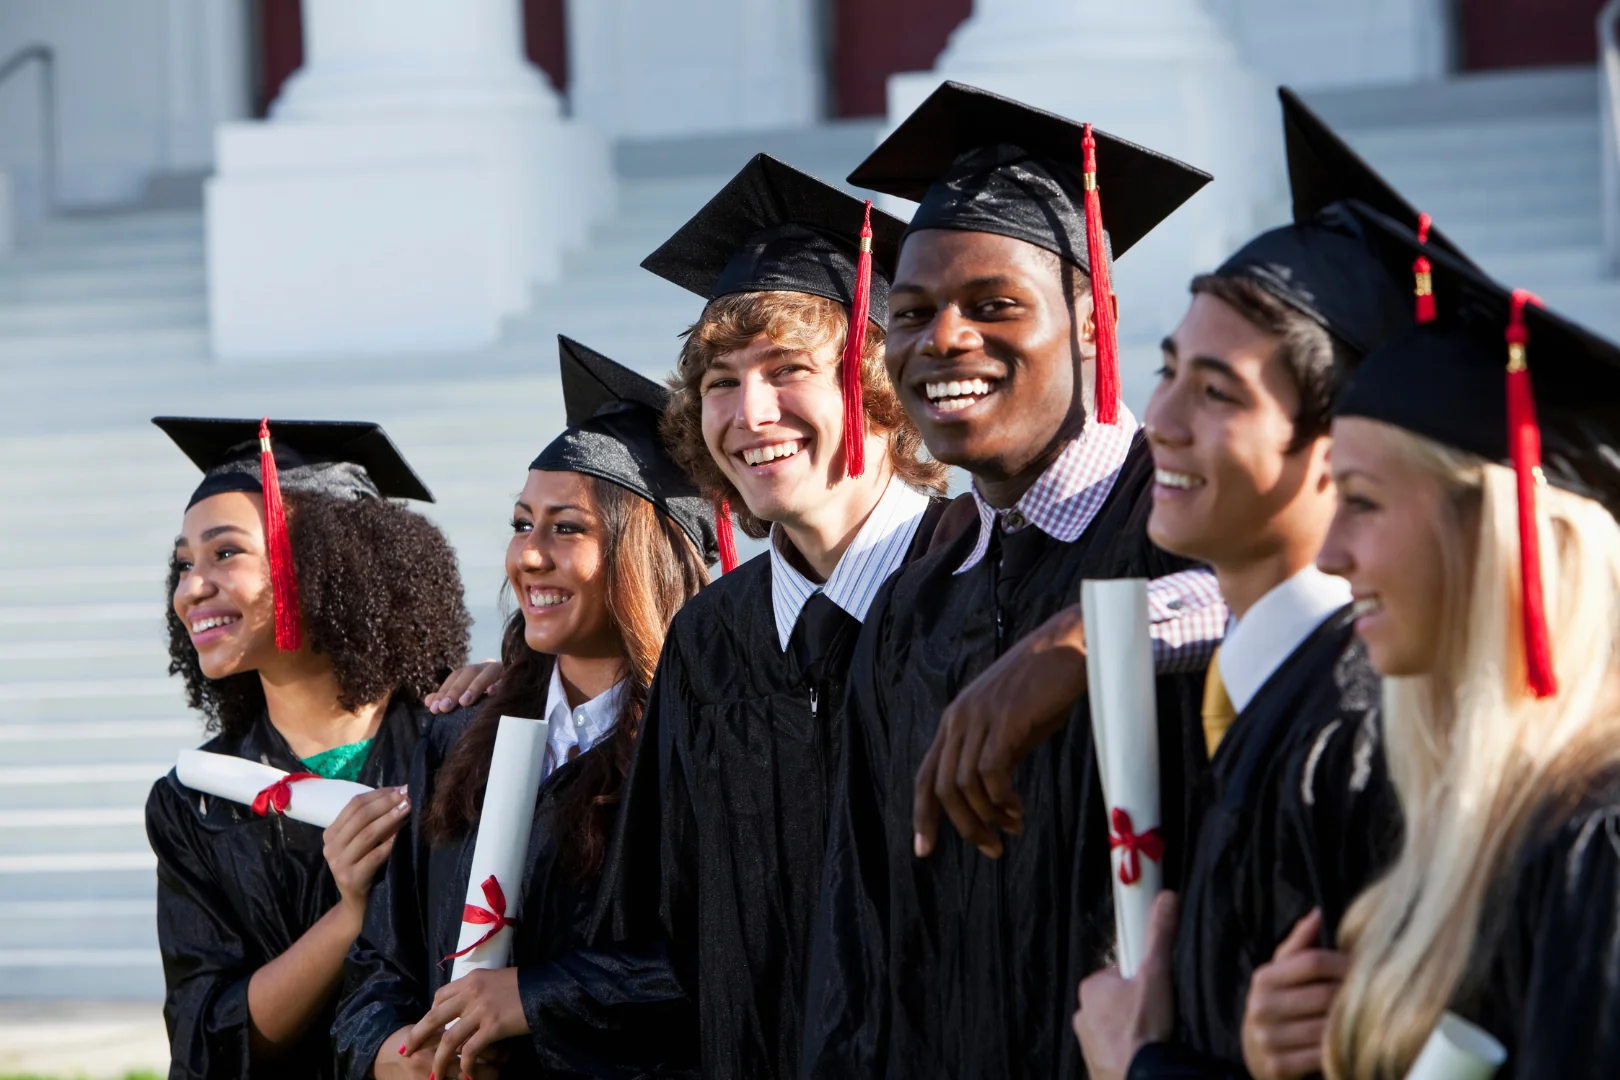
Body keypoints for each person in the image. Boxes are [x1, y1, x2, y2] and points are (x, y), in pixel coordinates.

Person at [798, 81, 1228, 1079]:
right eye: (911, 314)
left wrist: (1096, 640)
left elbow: (1304, 595)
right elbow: (859, 938)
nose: (943, 340)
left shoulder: (1180, 519)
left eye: (994, 307)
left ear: (1094, 317)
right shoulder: (914, 598)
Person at [1070, 88, 1458, 1080]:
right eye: (1167, 370)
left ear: (1342, 450)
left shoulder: (1362, 725)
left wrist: (1138, 1061)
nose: (1157, 418)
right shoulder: (1252, 693)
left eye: (1216, 392)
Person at [587, 154, 955, 1080]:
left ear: (877, 384)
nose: (750, 413)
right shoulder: (712, 640)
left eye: (788, 371)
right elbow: (654, 926)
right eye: (719, 381)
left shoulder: (977, 592)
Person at [332, 337, 716, 1080]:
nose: (528, 555)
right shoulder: (458, 734)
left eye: (567, 527)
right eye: (520, 523)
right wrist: (391, 1056)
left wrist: (531, 1002)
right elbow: (384, 958)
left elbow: (717, 966)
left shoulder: (702, 745)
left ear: (648, 554)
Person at [1312, 203, 1620, 1080]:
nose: (1330, 554)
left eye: (1363, 502)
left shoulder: (1599, 848)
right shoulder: (1476, 822)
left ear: (1496, 535)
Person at [148, 417, 471, 1080]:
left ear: (325, 564)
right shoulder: (198, 800)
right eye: (184, 563)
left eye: (225, 553)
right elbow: (212, 1039)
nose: (191, 587)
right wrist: (350, 913)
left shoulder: (460, 747)